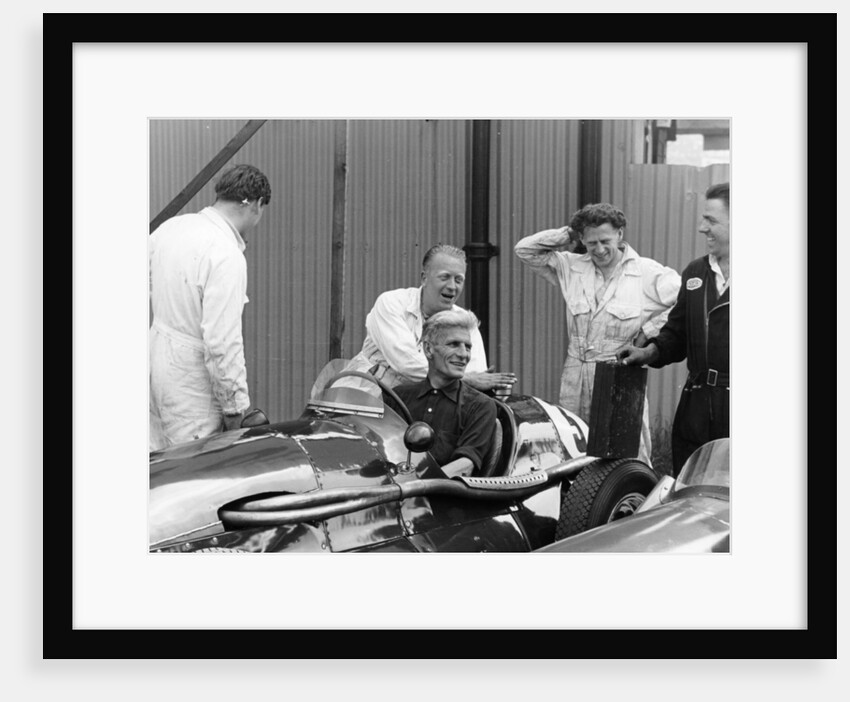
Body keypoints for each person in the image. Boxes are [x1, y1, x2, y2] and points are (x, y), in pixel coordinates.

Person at [514, 203, 681, 465]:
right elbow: (525, 250)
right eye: (591, 243)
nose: (599, 250)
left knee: (627, 454)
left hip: (619, 370)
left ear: (620, 235)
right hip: (575, 373)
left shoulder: (646, 271)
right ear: (581, 240)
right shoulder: (572, 266)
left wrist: (648, 331)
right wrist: (568, 234)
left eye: (605, 240)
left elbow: (683, 302)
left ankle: (634, 502)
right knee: (574, 448)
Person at [149, 164, 271, 451]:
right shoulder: (226, 253)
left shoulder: (172, 227)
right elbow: (222, 342)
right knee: (193, 472)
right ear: (257, 204)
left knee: (153, 466)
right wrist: (236, 409)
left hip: (155, 360)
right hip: (191, 383)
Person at [618, 182, 730, 476]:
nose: (701, 228)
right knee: (690, 489)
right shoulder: (696, 272)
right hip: (696, 406)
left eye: (711, 220)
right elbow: (677, 334)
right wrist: (647, 353)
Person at [345, 243, 517, 394]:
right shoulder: (391, 303)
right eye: (444, 277)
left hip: (425, 403)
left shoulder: (465, 321)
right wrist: (466, 379)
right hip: (364, 400)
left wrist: (472, 380)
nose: (452, 286)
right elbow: (407, 365)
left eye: (459, 280)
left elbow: (476, 373)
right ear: (424, 278)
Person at [394, 309, 497, 478]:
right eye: (453, 344)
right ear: (428, 349)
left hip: (442, 500)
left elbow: (465, 465)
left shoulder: (481, 406)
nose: (464, 354)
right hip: (386, 497)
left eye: (468, 347)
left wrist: (412, 486)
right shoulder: (397, 397)